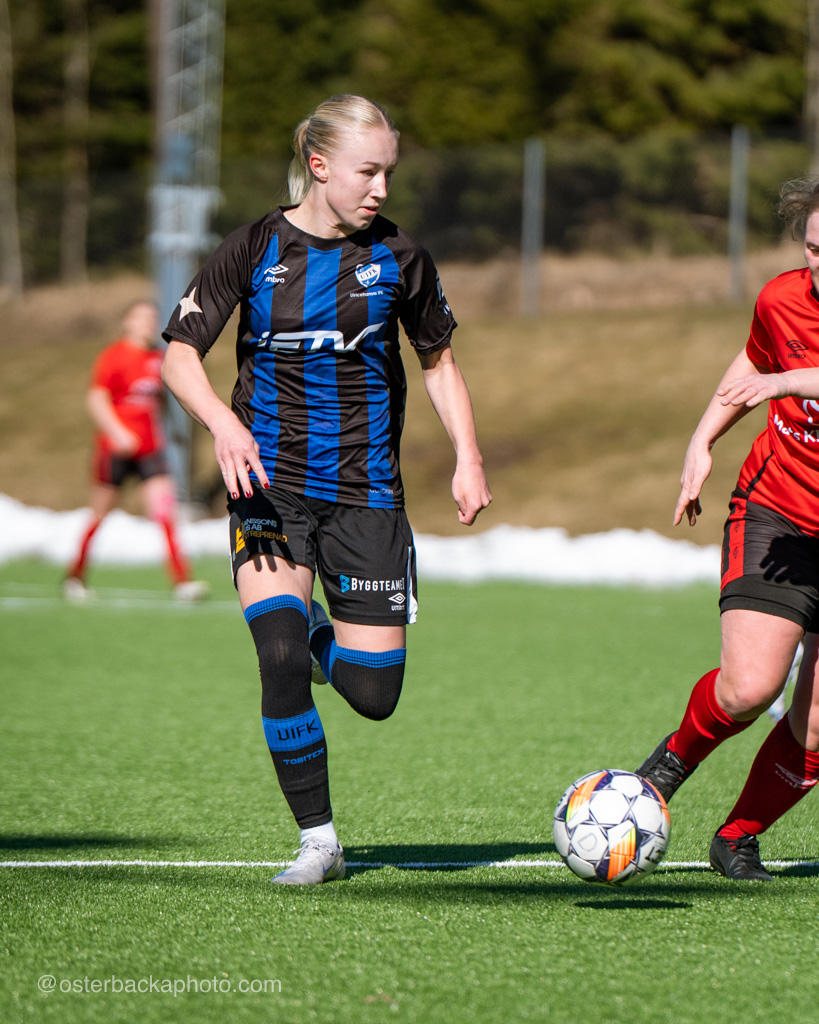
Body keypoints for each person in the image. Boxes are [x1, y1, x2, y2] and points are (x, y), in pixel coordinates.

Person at [160, 95, 492, 885]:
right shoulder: (252, 247)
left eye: (388, 172)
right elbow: (178, 355)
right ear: (319, 166)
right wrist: (222, 425)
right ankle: (319, 842)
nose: (380, 188)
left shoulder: (401, 257)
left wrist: (468, 456)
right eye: (366, 171)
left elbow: (438, 362)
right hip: (267, 487)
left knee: (374, 695)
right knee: (275, 654)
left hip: (367, 493)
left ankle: (317, 639)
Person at [636, 177, 819, 881]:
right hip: (779, 511)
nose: (818, 266)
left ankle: (736, 837)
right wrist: (702, 438)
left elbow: (779, 377)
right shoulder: (781, 298)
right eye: (812, 249)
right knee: (747, 688)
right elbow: (755, 359)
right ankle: (666, 767)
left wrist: (785, 383)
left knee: (814, 726)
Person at [64, 301, 208, 602]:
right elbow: (96, 399)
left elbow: (160, 400)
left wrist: (175, 429)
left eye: (152, 318)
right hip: (115, 451)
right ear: (127, 322)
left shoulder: (157, 357)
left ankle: (182, 582)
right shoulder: (113, 356)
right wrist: (118, 433)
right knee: (99, 515)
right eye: (141, 317)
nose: (147, 323)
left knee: (165, 514)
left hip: (150, 451)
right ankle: (74, 577)